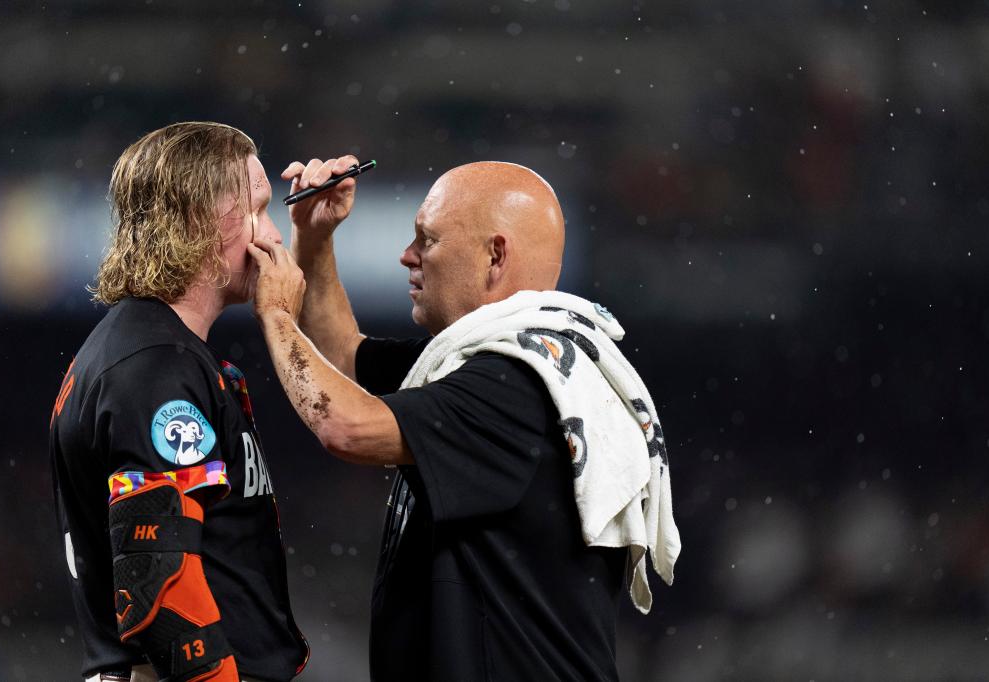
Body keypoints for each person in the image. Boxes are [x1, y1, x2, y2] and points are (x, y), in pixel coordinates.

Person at [247, 157, 681, 681]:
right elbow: (341, 357)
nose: (407, 256)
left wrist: (274, 313)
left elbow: (348, 426)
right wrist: (314, 240)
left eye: (426, 240)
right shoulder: (497, 365)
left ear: (495, 255)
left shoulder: (516, 385)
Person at [49, 122, 309, 682]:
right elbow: (159, 585)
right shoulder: (155, 364)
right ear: (197, 220)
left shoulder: (146, 348)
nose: (274, 238)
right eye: (259, 210)